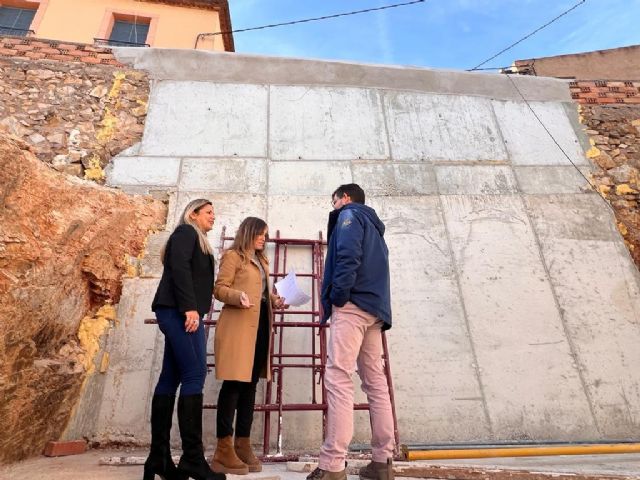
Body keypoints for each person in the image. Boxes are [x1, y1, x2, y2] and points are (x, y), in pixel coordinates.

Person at [307, 184, 395, 480]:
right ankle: (383, 460)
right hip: (374, 310)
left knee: (338, 377)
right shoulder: (375, 227)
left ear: (345, 198)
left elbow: (347, 255)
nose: (333, 206)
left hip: (352, 306)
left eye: (334, 200)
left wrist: (338, 296)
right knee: (375, 384)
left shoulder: (349, 216)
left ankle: (333, 464)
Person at [145, 198, 224, 480]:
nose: (213, 217)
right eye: (208, 213)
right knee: (195, 373)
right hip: (178, 311)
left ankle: (159, 459)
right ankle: (192, 459)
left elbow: (196, 277)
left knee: (171, 377)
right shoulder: (186, 232)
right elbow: (179, 269)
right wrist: (190, 307)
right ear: (193, 214)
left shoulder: (198, 239)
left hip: (183, 311)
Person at [211, 217, 287, 474]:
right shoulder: (233, 257)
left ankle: (242, 443)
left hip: (260, 328)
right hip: (238, 329)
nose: (263, 239)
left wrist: (274, 299)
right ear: (249, 233)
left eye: (265, 235)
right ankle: (223, 448)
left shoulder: (261, 260)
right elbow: (219, 289)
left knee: (251, 386)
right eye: (260, 234)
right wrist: (237, 296)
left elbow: (260, 292)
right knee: (233, 385)